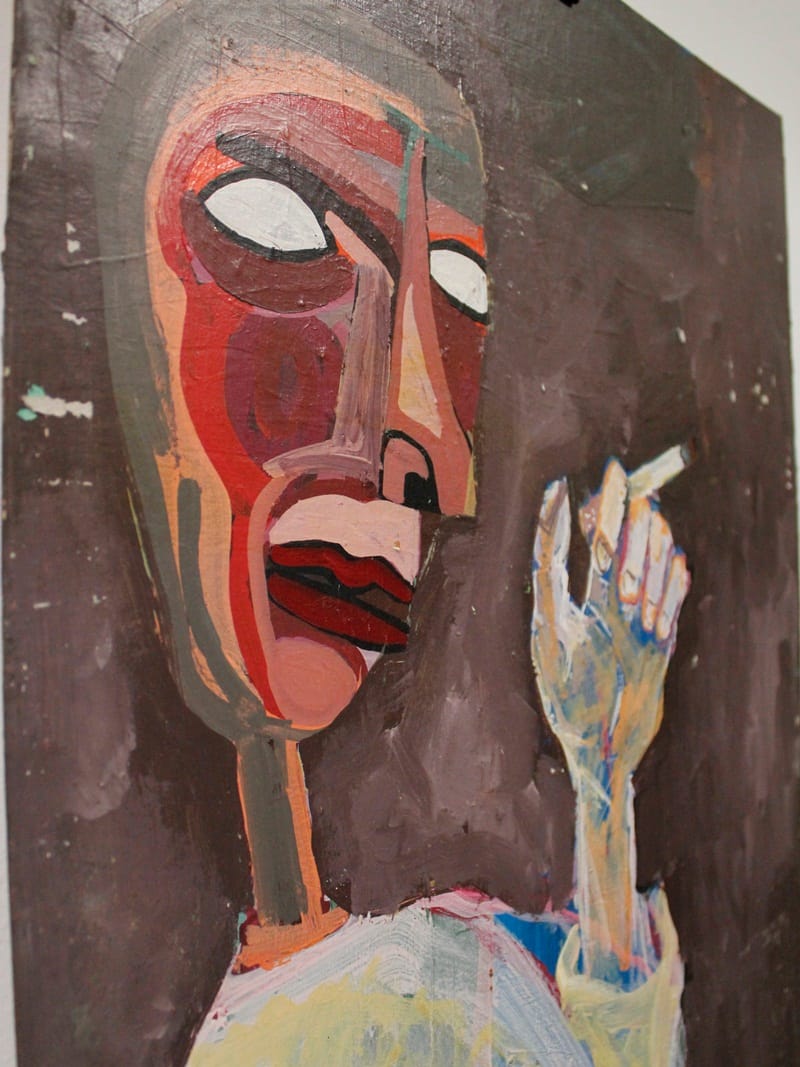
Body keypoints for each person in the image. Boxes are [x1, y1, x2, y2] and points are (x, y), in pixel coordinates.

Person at [96, 1, 689, 1062]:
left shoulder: (438, 961)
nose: (422, 440)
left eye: (458, 295)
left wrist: (602, 771)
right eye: (273, 227)